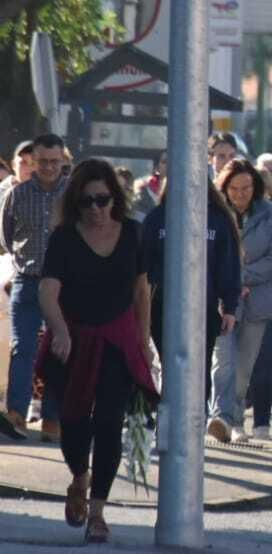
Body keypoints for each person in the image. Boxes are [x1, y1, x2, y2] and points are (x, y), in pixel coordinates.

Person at [35, 159, 159, 544]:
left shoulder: (133, 233)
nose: (96, 209)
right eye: (87, 201)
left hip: (117, 341)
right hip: (73, 340)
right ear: (76, 202)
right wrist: (59, 330)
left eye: (102, 200)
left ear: (114, 198)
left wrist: (144, 342)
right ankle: (79, 477)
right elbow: (47, 290)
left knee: (109, 424)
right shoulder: (64, 238)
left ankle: (98, 513)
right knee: (73, 424)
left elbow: (142, 292)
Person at [144, 181, 241, 426]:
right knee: (169, 366)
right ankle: (169, 423)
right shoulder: (157, 217)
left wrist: (230, 308)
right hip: (160, 307)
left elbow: (228, 266)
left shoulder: (217, 220)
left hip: (203, 308)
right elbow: (143, 264)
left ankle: (195, 424)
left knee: (199, 368)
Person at [208, 158, 272, 445]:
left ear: (255, 187)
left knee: (244, 368)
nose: (240, 194)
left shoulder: (270, 213)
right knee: (223, 362)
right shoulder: (213, 213)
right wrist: (229, 283)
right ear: (224, 187)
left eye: (246, 188)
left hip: (258, 300)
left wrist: (241, 278)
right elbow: (206, 253)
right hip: (221, 300)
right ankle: (220, 417)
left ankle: (235, 419)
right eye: (234, 188)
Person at [1, 133, 70, 438]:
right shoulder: (18, 194)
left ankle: (52, 419)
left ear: (63, 160)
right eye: (43, 161)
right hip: (27, 280)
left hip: (63, 285)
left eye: (55, 161)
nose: (49, 167)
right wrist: (22, 261)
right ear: (33, 161)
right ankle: (16, 413)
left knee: (59, 350)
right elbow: (5, 235)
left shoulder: (72, 194)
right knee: (23, 347)